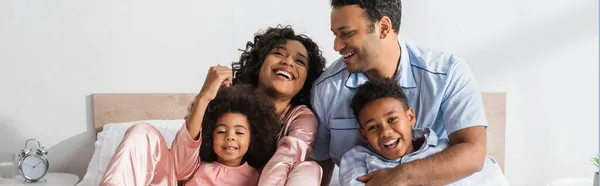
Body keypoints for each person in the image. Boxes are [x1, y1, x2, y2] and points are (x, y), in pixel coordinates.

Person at [99, 25, 327, 186]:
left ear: (306, 78)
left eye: (299, 61)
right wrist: (205, 97)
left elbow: (285, 160)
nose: (287, 62)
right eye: (278, 53)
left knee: (309, 168)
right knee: (142, 133)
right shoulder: (227, 100)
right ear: (260, 63)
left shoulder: (301, 118)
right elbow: (180, 168)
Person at [310, 0, 489, 185]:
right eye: (335, 35)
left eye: (347, 34)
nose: (337, 46)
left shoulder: (448, 73)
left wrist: (400, 175)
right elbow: (319, 164)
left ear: (384, 28)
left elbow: (473, 154)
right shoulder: (326, 89)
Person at [338, 78, 509, 186]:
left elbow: (485, 171)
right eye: (373, 127)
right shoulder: (358, 159)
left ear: (410, 117)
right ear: (363, 134)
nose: (385, 132)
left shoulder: (444, 152)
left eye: (392, 119)